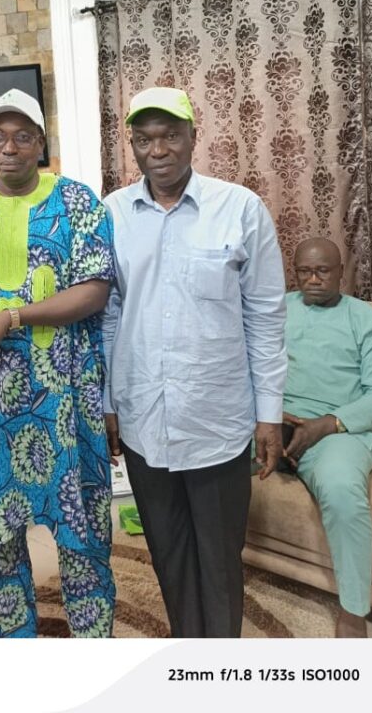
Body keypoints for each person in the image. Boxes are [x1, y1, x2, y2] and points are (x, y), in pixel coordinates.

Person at [0, 88, 116, 637]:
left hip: (65, 402)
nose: (8, 148)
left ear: (41, 143)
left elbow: (95, 290)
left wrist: (13, 317)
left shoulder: (78, 203)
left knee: (82, 532)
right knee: (1, 538)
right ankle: (15, 646)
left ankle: (94, 644)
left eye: (22, 137)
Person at [102, 86, 286, 638]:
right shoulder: (112, 213)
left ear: (192, 137)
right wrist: (108, 402)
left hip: (217, 420)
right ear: (133, 145)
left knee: (221, 558)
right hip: (143, 418)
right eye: (144, 139)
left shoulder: (240, 209)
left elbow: (266, 317)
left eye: (170, 136)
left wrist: (269, 414)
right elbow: (109, 315)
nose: (158, 150)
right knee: (168, 552)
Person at [282, 237, 372, 637]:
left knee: (342, 490)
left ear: (342, 273)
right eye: (304, 271)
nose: (313, 279)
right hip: (273, 424)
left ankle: (353, 611)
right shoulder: (276, 309)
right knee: (210, 463)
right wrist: (268, 418)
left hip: (338, 430)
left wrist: (324, 425)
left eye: (322, 271)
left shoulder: (366, 320)